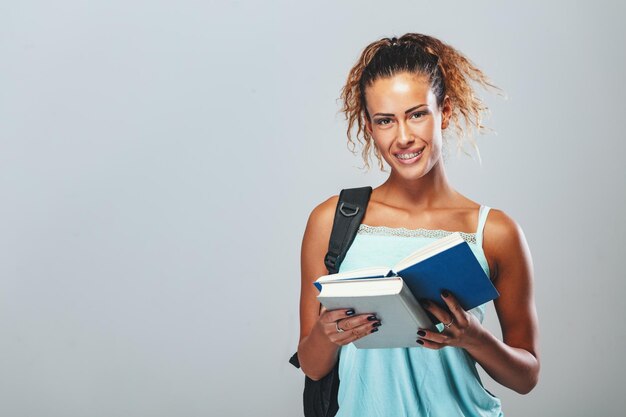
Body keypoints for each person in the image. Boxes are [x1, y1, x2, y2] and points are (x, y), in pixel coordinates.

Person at [296, 33, 540, 416]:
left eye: (417, 114)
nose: (404, 137)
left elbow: (527, 376)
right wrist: (328, 334)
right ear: (370, 126)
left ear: (443, 111)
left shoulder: (494, 232)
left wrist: (475, 339)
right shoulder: (331, 220)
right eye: (385, 120)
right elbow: (312, 366)